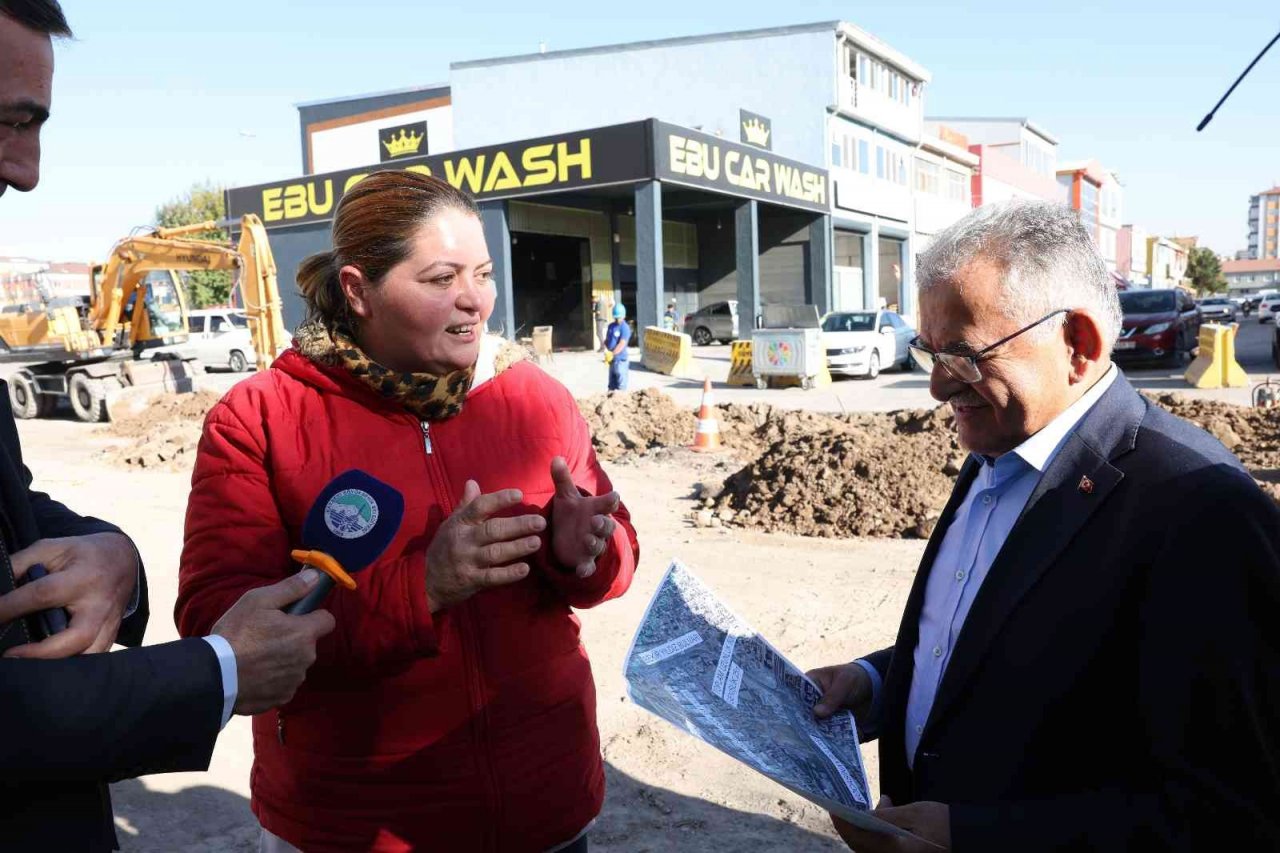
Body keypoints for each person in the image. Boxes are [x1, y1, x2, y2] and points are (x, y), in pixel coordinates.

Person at [175, 170, 640, 852]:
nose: (474, 302)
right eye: (439, 279)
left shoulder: (532, 397)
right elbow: (222, 625)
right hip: (352, 826)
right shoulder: (261, 419)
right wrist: (423, 586)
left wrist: (586, 552)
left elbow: (617, 552)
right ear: (359, 290)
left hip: (548, 809)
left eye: (482, 273)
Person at [807, 201, 1280, 852]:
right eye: (929, 351)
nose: (939, 387)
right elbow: (1006, 645)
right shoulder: (997, 449)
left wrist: (971, 837)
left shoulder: (1200, 510)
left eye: (964, 355)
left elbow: (1230, 815)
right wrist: (877, 681)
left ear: (1077, 344)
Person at [0, 3, 335, 849]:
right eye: (7, 120)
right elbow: (221, 596)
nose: (30, 170)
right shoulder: (257, 416)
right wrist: (216, 670)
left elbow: (15, 510)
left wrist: (115, 552)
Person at [604, 303, 631, 391]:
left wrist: (612, 353)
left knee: (621, 386)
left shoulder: (625, 328)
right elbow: (607, 340)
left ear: (624, 316)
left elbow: (622, 344)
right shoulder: (611, 326)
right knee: (611, 385)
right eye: (616, 317)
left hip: (621, 360)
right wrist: (606, 350)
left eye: (619, 317)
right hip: (612, 360)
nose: (617, 319)